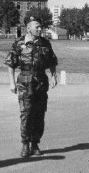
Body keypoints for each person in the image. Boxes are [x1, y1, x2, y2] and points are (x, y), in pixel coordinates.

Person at [5, 17, 58, 158]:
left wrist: (53, 76)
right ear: (28, 28)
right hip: (25, 81)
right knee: (26, 114)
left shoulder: (45, 43)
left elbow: (52, 61)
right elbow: (10, 64)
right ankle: (25, 144)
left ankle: (35, 144)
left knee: (39, 114)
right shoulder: (19, 43)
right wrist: (11, 82)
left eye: (41, 27)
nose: (40, 29)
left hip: (41, 82)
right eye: (37, 27)